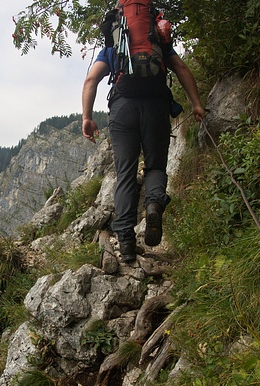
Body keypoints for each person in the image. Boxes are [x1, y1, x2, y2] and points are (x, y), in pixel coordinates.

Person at [82, 30, 205, 264]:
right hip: (156, 109)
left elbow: (91, 80)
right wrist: (196, 104)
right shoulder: (157, 42)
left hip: (123, 109)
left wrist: (86, 117)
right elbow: (181, 69)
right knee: (156, 166)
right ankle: (154, 205)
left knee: (125, 175)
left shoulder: (114, 46)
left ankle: (127, 243)